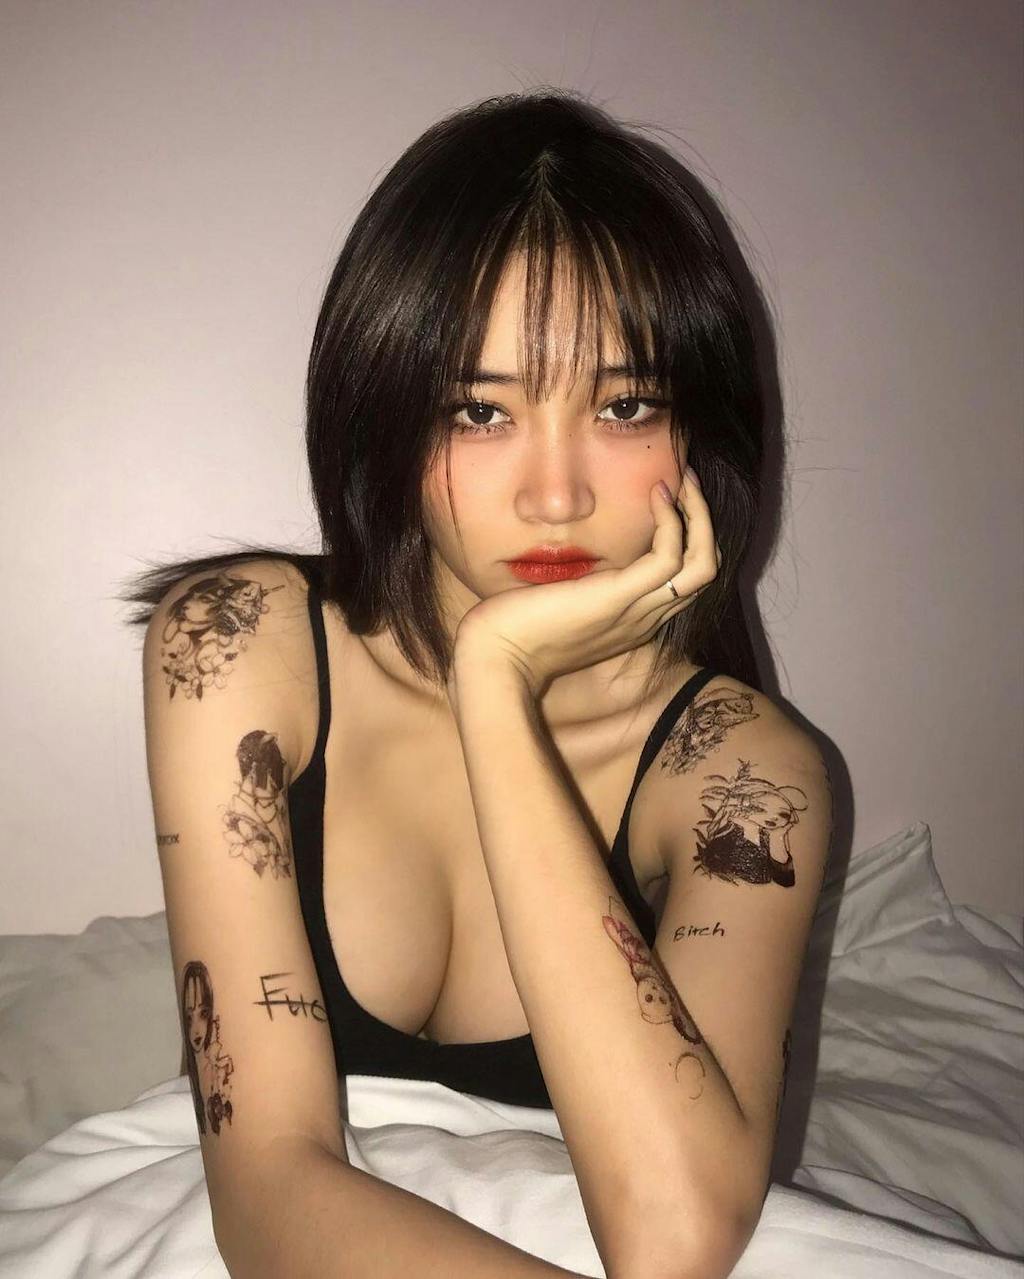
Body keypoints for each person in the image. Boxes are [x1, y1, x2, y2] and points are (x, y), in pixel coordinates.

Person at [121, 88, 833, 1279]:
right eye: (480, 410)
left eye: (623, 405)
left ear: (698, 431)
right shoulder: (237, 645)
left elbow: (676, 1234)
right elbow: (267, 1182)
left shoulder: (746, 772)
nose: (555, 494)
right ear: (386, 417)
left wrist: (494, 690)